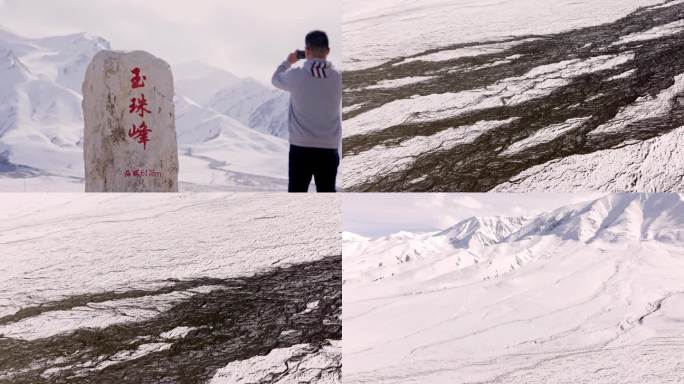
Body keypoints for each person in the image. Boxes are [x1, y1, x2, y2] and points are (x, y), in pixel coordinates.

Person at [272, 30, 342, 193]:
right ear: (328, 51)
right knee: (327, 194)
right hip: (328, 148)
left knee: (297, 194)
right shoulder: (338, 78)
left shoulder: (295, 76)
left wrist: (288, 62)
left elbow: (275, 79)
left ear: (307, 51)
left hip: (300, 147)